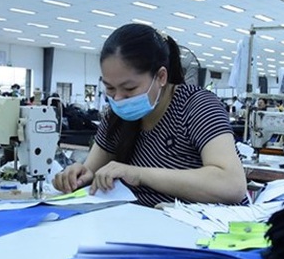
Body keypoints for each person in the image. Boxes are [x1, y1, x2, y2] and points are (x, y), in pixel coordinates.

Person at [52, 23, 247, 207]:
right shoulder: (117, 117)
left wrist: (139, 174)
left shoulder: (197, 106)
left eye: (129, 88)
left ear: (161, 77)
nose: (118, 98)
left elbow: (232, 184)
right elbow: (91, 171)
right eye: (110, 88)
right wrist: (77, 176)